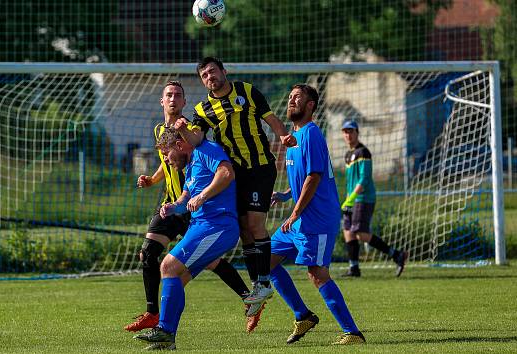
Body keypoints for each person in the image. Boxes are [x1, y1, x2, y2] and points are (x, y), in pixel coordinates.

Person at [126, 81, 263, 334]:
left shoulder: (194, 138)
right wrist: (154, 181)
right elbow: (167, 164)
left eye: (178, 95)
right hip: (176, 204)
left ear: (184, 102)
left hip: (203, 214)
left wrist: (199, 198)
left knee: (200, 264)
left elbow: (223, 171)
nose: (173, 99)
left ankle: (248, 297)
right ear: (162, 100)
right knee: (153, 257)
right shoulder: (162, 134)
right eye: (169, 94)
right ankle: (155, 316)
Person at [175, 57, 296, 306]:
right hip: (236, 174)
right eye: (204, 76)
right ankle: (258, 285)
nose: (210, 77)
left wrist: (284, 136)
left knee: (254, 223)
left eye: (212, 72)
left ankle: (263, 282)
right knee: (243, 228)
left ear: (224, 71)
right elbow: (196, 139)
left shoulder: (247, 91)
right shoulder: (202, 110)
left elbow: (270, 118)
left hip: (260, 166)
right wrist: (183, 129)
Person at [269, 84, 365, 345]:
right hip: (300, 218)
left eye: (297, 97)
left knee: (317, 273)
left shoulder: (311, 134)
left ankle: (353, 333)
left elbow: (314, 176)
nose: (291, 101)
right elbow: (302, 177)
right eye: (289, 97)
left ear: (310, 105)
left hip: (317, 219)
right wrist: (286, 195)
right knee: (266, 261)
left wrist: (295, 211)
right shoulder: (293, 137)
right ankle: (303, 316)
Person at [133, 127, 242, 350]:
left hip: (217, 226)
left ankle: (164, 330)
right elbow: (185, 198)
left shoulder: (206, 150)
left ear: (180, 146)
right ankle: (167, 338)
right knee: (176, 279)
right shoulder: (191, 166)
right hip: (201, 226)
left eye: (167, 154)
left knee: (168, 266)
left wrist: (202, 197)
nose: (166, 161)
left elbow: (226, 173)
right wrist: (173, 207)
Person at [340, 120, 408, 277]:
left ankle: (396, 254)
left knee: (361, 233)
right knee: (348, 231)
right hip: (351, 198)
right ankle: (354, 268)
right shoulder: (348, 155)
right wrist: (348, 198)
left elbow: (363, 179)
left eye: (351, 131)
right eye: (345, 131)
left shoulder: (363, 152)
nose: (348, 134)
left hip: (362, 198)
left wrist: (352, 198)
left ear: (357, 132)